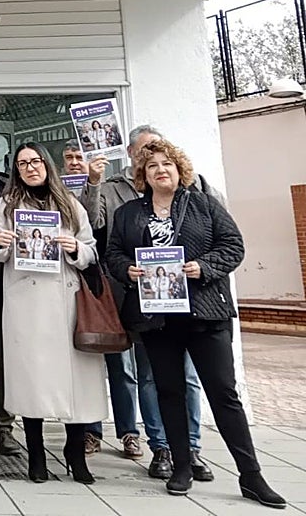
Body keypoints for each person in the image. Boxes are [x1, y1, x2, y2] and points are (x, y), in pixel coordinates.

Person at [105, 139, 282, 506]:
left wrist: (204, 267)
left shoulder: (203, 204)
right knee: (168, 392)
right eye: (152, 166)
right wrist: (128, 270)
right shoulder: (129, 214)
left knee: (223, 394)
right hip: (158, 317)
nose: (160, 170)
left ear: (179, 168)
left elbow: (233, 246)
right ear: (143, 175)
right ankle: (181, 466)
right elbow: (114, 254)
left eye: (166, 164)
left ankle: (251, 475)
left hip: (205, 315)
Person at [82, 125, 210, 478]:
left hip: (189, 300)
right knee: (147, 375)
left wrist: (203, 268)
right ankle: (160, 446)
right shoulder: (114, 192)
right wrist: (93, 183)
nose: (152, 162)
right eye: (144, 154)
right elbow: (97, 232)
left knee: (187, 377)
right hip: (137, 299)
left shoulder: (196, 190)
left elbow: (222, 240)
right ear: (131, 154)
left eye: (159, 155)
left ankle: (193, 447)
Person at [0, 143, 104, 485]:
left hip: (65, 301)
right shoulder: (6, 206)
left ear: (46, 165)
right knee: (31, 382)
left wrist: (76, 249)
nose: (30, 168)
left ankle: (75, 451)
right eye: (22, 164)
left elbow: (91, 248)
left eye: (35, 161)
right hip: (27, 304)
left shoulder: (69, 203)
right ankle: (35, 455)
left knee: (74, 383)